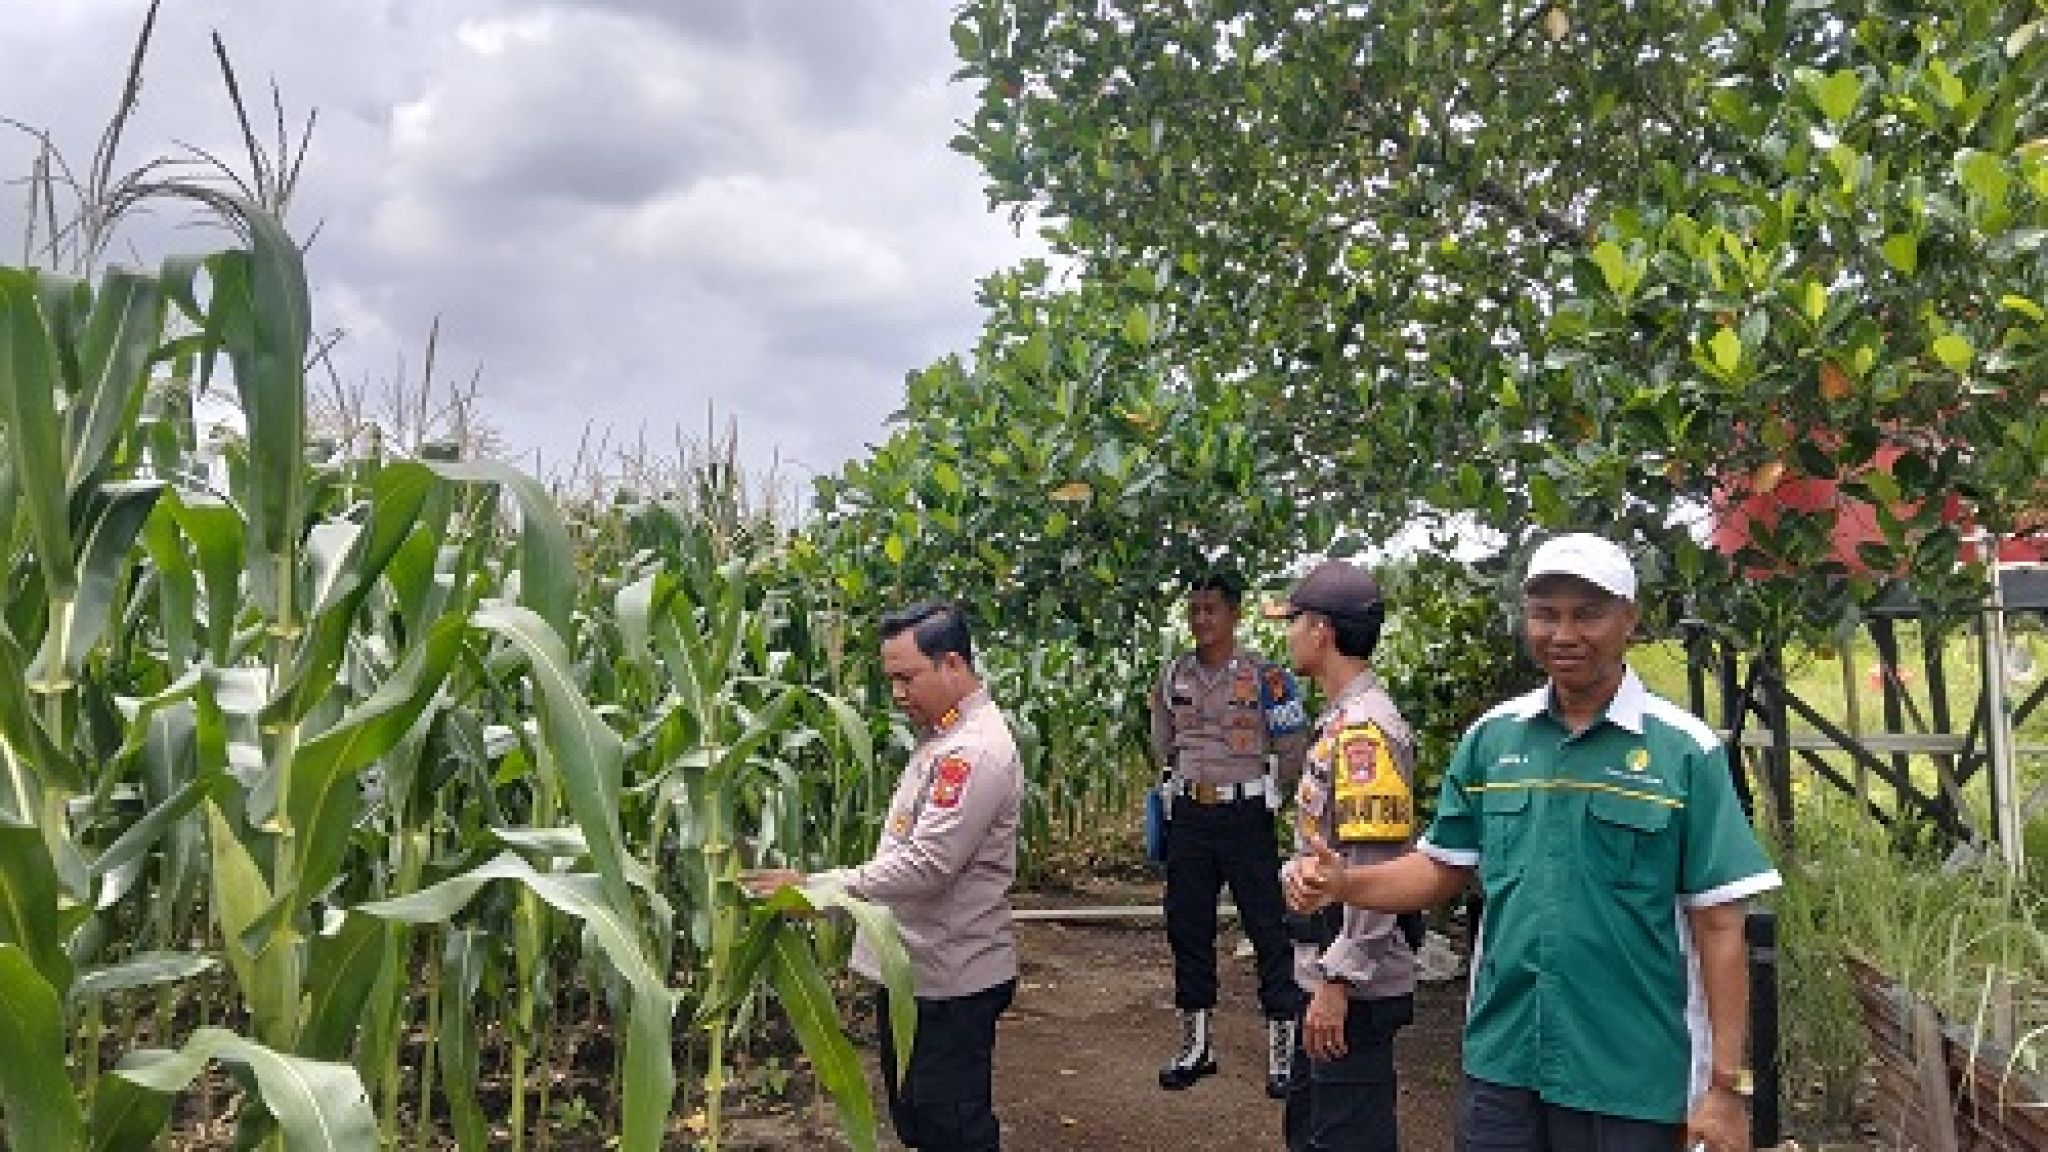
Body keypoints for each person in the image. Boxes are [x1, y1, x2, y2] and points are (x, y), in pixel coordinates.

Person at [1285, 533, 1780, 1152]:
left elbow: (1719, 924)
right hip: (1506, 1063)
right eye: (1546, 614)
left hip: (1634, 1074)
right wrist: (1346, 882)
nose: (1563, 633)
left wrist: (1725, 1088)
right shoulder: (1493, 740)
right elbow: (1441, 869)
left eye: (1587, 614)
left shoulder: (1683, 751)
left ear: (1630, 619)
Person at [744, 600, 1022, 1152]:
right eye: (891, 679)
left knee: (953, 1128)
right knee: (921, 1120)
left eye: (906, 678)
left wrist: (820, 890)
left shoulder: (974, 752)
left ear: (952, 665)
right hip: (918, 973)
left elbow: (929, 864)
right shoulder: (943, 738)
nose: (897, 694)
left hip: (950, 979)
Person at [1265, 560, 1417, 1151]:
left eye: (1294, 621)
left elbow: (1376, 871)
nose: (1288, 634)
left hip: (1353, 984)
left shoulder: (1363, 734)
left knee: (1345, 1137)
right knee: (1311, 1132)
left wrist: (1338, 983)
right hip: (1328, 966)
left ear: (1321, 631)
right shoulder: (1340, 722)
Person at [1151, 571, 1311, 1097]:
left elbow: (1293, 744)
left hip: (1246, 819)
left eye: (1211, 609)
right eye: (1194, 609)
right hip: (1191, 818)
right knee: (1187, 927)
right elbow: (1163, 740)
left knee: (1268, 928)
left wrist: (1271, 794)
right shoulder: (1174, 674)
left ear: (1234, 614)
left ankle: (1283, 1050)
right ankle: (1197, 1045)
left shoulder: (1268, 678)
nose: (1201, 620)